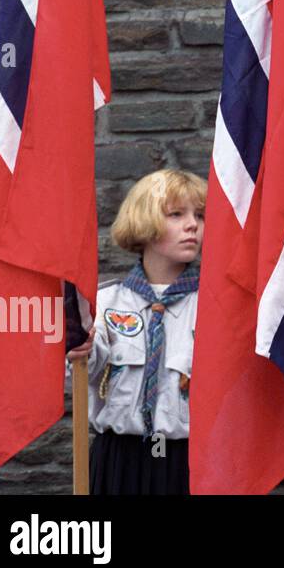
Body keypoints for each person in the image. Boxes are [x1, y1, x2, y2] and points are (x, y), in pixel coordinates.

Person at [66, 169, 205, 495]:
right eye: (176, 214)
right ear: (144, 222)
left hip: (188, 459)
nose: (192, 225)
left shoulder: (215, 308)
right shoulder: (103, 302)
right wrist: (78, 345)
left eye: (199, 215)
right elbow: (84, 361)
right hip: (119, 460)